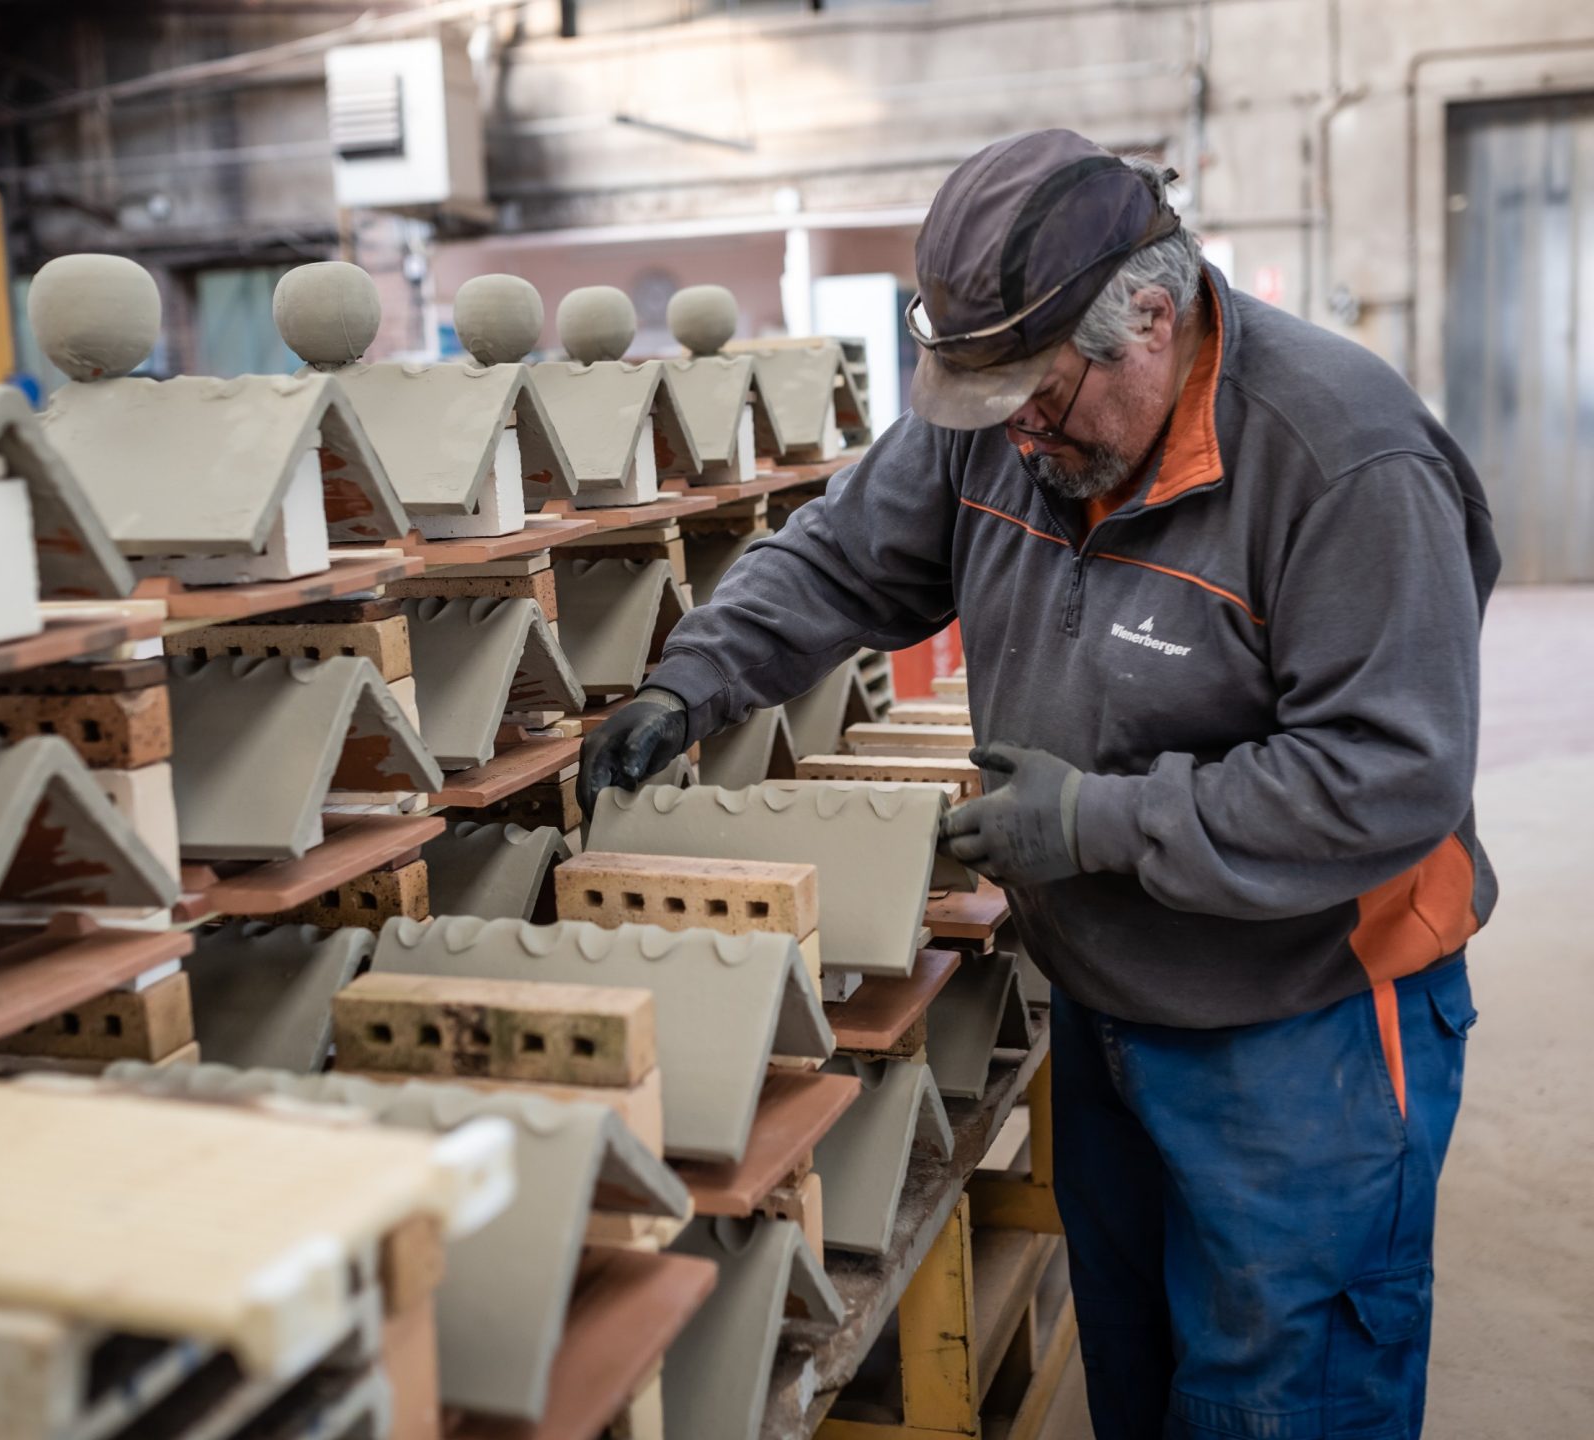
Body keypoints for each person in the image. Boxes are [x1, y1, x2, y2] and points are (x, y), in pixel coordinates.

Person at [581, 129, 1498, 1440]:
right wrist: (692, 680)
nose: (1019, 434)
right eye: (988, 402)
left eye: (1044, 397)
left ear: (1153, 316)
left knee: (1283, 1391)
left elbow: (1388, 776)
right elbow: (844, 557)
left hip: (1308, 1023)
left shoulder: (1343, 461)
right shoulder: (1005, 426)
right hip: (1110, 999)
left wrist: (1101, 822)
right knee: (1138, 1362)